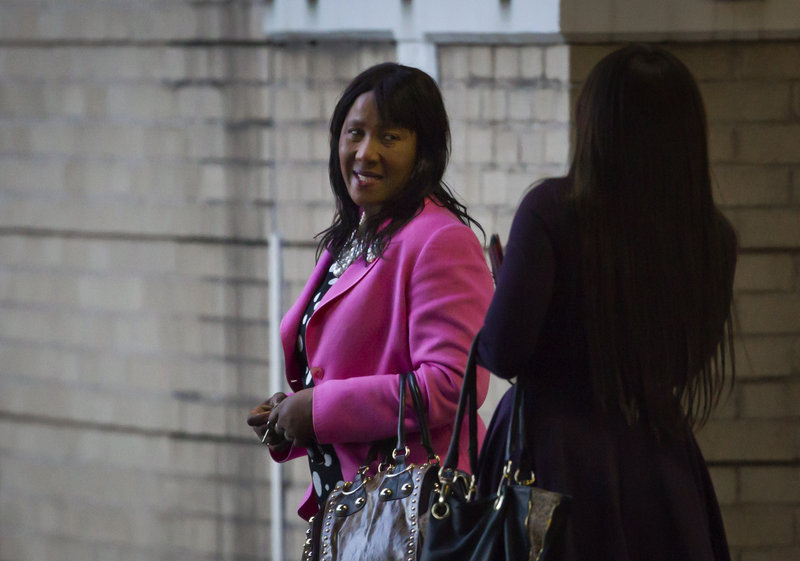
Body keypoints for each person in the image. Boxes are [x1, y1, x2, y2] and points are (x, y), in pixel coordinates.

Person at [476, 44, 736, 561]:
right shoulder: (713, 237)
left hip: (550, 465)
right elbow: (683, 364)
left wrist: (505, 285)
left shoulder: (550, 211)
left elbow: (502, 353)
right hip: (660, 472)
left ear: (594, 123)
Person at [247, 62, 494, 520]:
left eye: (390, 137)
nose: (365, 152)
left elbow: (453, 384)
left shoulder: (440, 240)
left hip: (420, 518)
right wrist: (293, 417)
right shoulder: (353, 236)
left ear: (424, 148)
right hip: (354, 510)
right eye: (354, 133)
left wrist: (319, 410)